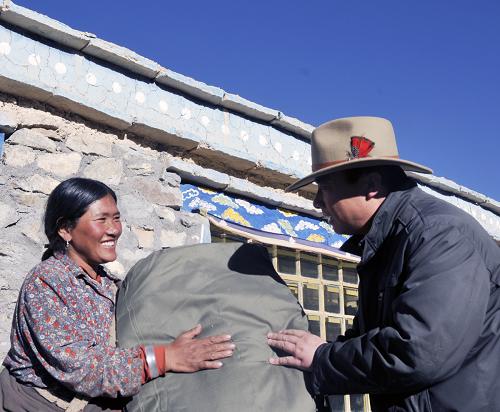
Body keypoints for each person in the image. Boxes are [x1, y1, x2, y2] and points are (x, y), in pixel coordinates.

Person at [267, 116, 500, 411]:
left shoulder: (440, 234)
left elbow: (419, 351)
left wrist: (322, 357)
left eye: (324, 187)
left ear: (372, 186)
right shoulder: (387, 242)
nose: (317, 203)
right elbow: (370, 339)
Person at [1, 177, 235, 411]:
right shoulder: (47, 282)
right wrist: (165, 358)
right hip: (38, 404)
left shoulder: (107, 283)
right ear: (65, 229)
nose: (113, 229)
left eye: (116, 218)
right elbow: (83, 370)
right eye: (101, 220)